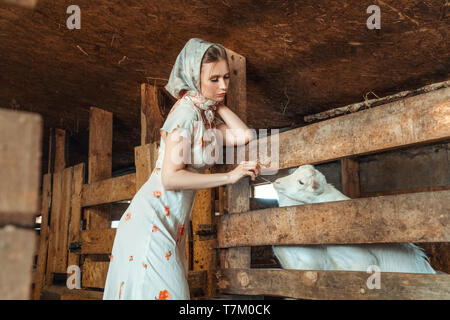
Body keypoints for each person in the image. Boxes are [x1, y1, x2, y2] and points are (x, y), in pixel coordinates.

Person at [103, 38, 261, 300]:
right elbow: (170, 177)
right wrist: (230, 176)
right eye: (214, 79)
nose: (223, 86)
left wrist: (217, 102)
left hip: (170, 226)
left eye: (226, 78)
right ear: (192, 77)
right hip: (151, 222)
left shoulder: (204, 115)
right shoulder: (186, 114)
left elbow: (243, 135)